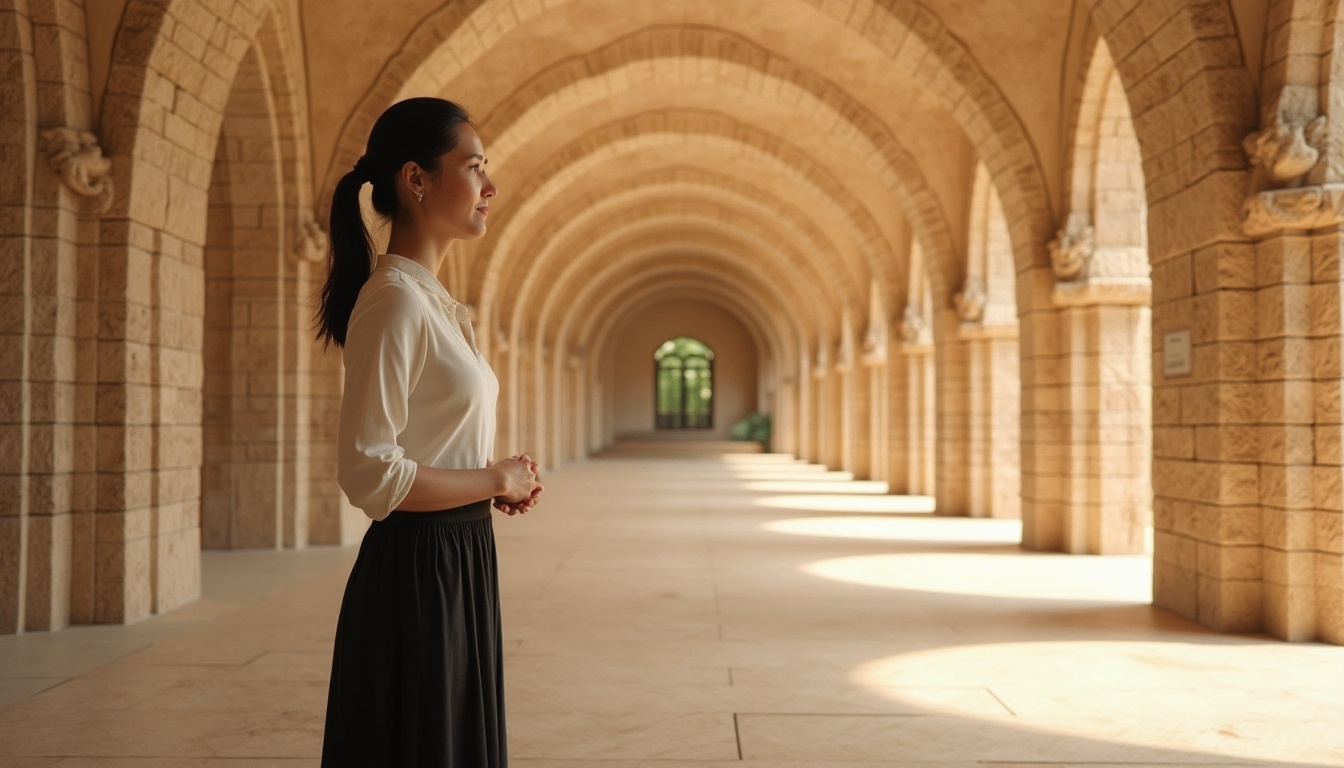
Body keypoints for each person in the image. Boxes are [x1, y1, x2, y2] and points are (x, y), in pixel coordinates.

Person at [314, 97, 541, 767]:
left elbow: (426, 443)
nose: (489, 187)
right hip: (417, 574)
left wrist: (488, 482)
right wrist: (492, 477)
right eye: (474, 168)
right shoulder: (393, 303)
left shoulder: (430, 301)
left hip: (458, 558)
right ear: (416, 180)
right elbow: (368, 471)